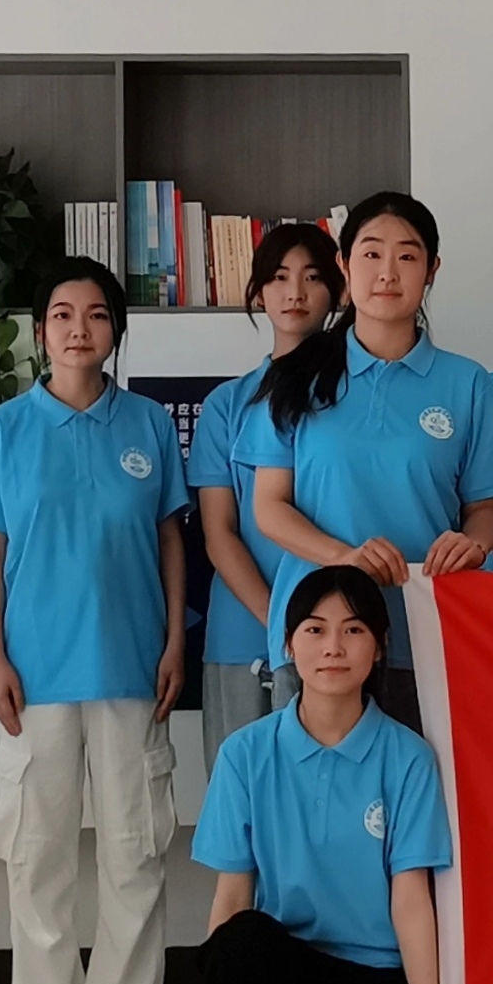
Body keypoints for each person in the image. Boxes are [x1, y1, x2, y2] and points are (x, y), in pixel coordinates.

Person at [0, 257, 188, 984]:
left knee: (134, 850)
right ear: (40, 330)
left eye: (95, 314)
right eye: (61, 314)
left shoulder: (148, 424)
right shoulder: (6, 429)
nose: (78, 328)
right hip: (36, 675)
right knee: (37, 852)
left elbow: (169, 539)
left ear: (116, 328)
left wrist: (174, 642)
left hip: (131, 669)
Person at [190, 565, 450, 984]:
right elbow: (231, 897)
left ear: (379, 647)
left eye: (353, 630)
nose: (333, 647)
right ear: (288, 645)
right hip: (285, 962)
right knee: (243, 941)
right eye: (315, 629)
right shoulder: (245, 754)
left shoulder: (409, 758)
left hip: (371, 975)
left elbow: (411, 902)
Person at [246, 192, 493, 731]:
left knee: (420, 781)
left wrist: (473, 543)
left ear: (432, 270)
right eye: (371, 254)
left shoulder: (466, 382)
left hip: (425, 633)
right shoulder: (295, 376)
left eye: (407, 256)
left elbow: (487, 509)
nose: (388, 272)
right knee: (311, 783)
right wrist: (344, 557)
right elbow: (269, 508)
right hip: (317, 636)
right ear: (345, 265)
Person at [185, 224, 343, 776]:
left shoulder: (353, 394)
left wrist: (310, 631)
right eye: (278, 278)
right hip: (242, 633)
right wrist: (281, 625)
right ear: (257, 293)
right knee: (241, 800)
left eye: (312, 277)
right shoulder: (227, 404)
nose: (294, 292)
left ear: (338, 290)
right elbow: (219, 532)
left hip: (338, 634)